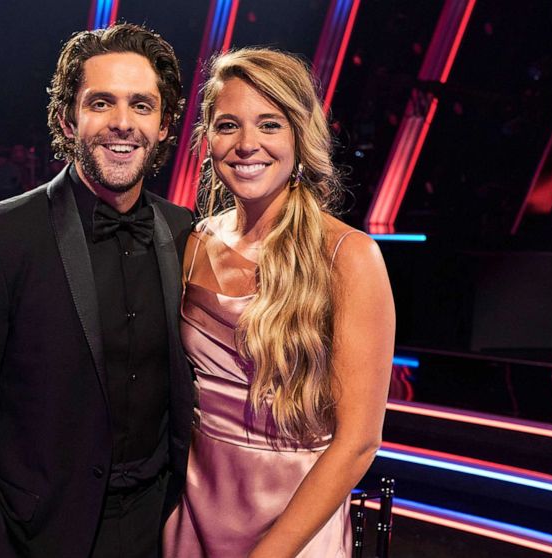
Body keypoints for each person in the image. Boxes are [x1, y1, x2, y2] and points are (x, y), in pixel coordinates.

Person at [0, 23, 194, 557]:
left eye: (142, 105)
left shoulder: (188, 232)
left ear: (164, 125)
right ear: (68, 119)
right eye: (101, 103)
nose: (122, 123)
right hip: (38, 535)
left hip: (164, 528)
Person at [163, 48, 395, 557]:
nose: (248, 144)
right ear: (207, 139)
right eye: (228, 125)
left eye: (269, 124)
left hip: (294, 524)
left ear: (299, 135)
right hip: (195, 514)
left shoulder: (349, 256)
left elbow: (358, 441)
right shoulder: (193, 241)